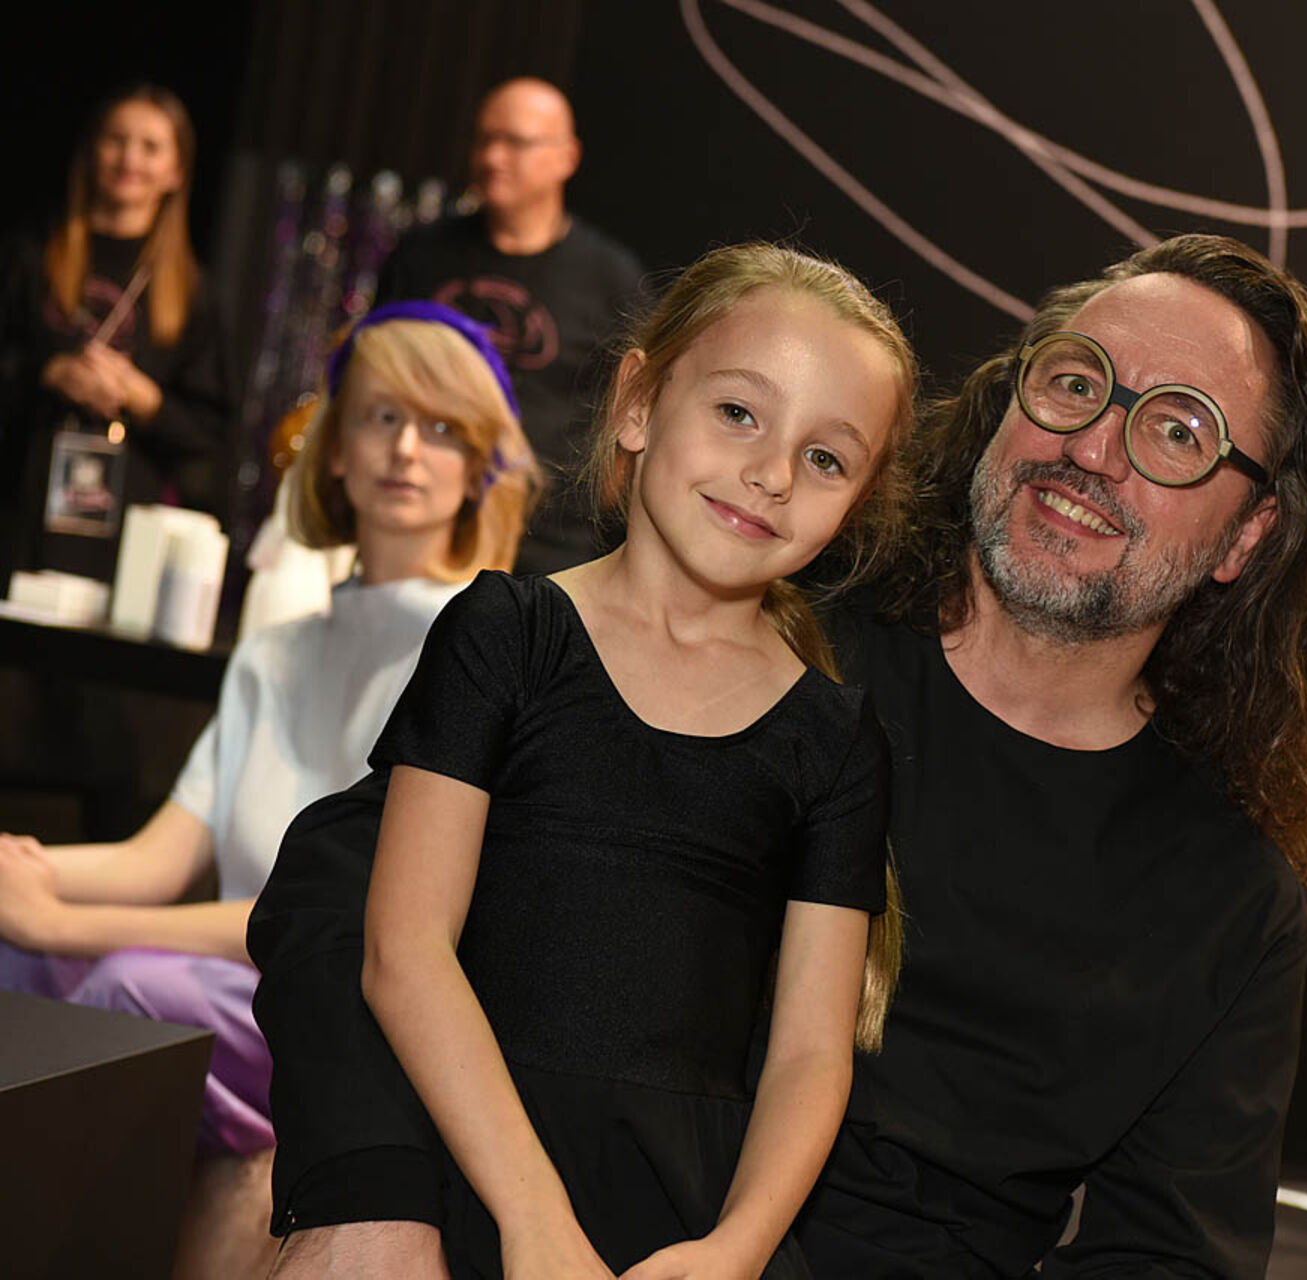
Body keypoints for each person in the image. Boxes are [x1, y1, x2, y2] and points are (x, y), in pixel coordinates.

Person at [253, 232, 1307, 1279]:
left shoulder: (1228, 896)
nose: (1095, 446)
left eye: (1177, 431)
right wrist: (369, 1190)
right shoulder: (760, 631)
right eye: (1075, 381)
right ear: (1005, 403)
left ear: (1246, 533)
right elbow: (342, 887)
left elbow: (1170, 1256)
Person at [251, 243, 918, 1279]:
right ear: (638, 402)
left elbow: (809, 1054)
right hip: (470, 1166)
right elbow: (404, 949)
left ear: (859, 503)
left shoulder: (835, 740)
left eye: (827, 458)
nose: (773, 474)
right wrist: (533, 1217)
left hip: (682, 1221)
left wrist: (734, 1250)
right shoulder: (505, 634)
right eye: (738, 412)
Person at [0, 300, 536, 1276]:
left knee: (125, 990)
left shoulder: (478, 654)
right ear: (334, 450)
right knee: (15, 958)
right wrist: (26, 871)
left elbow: (337, 914)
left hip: (338, 996)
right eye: (381, 416)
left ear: (480, 467)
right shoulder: (277, 649)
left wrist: (61, 922)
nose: (405, 449)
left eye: (441, 428)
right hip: (218, 970)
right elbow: (161, 855)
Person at [374, 76, 646, 576]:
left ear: (566, 157)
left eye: (515, 142)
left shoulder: (610, 280)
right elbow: (374, 376)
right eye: (484, 139)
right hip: (423, 526)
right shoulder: (421, 256)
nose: (493, 157)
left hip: (547, 547)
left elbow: (633, 412)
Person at [0, 83, 230, 585]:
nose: (130, 159)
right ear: (92, 152)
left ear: (176, 170)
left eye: (150, 147)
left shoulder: (192, 292)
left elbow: (209, 434)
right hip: (18, 513)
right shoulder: (29, 258)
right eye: (116, 140)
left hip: (122, 540)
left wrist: (143, 398)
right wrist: (49, 373)